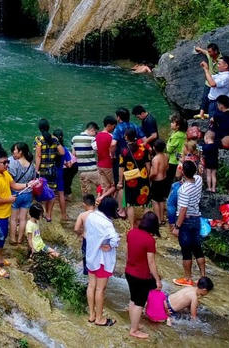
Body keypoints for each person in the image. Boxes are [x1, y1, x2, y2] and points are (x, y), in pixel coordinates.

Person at [125, 211, 163, 340]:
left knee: (133, 299)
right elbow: (151, 262)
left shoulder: (131, 233)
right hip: (141, 276)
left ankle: (134, 324)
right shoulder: (150, 240)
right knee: (139, 303)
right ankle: (134, 330)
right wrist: (157, 279)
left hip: (129, 272)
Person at [84, 196, 121, 327]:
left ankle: (92, 315)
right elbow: (115, 239)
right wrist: (110, 246)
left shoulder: (91, 216)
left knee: (91, 286)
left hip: (91, 256)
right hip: (102, 260)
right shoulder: (107, 224)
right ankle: (100, 318)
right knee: (101, 289)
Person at [0, 149, 24, 278]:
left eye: (7, 162)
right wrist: (9, 199)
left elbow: (13, 185)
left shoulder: (4, 173)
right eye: (4, 162)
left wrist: (27, 184)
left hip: (4, 214)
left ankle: (0, 259)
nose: (7, 164)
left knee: (2, 237)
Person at [173, 161, 207, 287]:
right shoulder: (198, 180)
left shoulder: (183, 190)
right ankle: (203, 277)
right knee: (197, 248)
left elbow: (183, 210)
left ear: (183, 172)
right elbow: (198, 174)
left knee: (186, 251)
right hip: (196, 218)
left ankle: (187, 279)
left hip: (186, 221)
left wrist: (177, 227)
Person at [118, 129, 150, 225]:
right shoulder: (143, 148)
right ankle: (146, 225)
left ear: (127, 137)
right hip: (143, 177)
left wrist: (120, 181)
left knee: (130, 204)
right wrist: (148, 176)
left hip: (130, 179)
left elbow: (121, 168)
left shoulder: (124, 151)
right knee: (146, 202)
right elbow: (148, 164)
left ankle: (132, 226)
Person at [73, 122, 103, 199]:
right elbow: (99, 151)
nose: (95, 134)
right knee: (102, 187)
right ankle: (99, 204)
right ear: (92, 130)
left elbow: (74, 154)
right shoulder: (92, 139)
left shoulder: (74, 138)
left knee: (86, 194)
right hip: (93, 170)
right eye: (95, 132)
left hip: (82, 171)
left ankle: (88, 208)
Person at [95, 116, 117, 199]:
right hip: (108, 165)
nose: (114, 128)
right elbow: (112, 151)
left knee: (105, 186)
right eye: (113, 126)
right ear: (109, 125)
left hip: (100, 164)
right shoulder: (110, 137)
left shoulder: (98, 136)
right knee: (114, 185)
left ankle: (100, 204)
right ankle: (104, 200)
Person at [148, 140, 170, 224]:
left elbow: (154, 172)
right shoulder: (165, 156)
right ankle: (162, 218)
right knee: (161, 200)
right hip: (164, 179)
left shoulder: (155, 159)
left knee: (155, 200)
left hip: (157, 181)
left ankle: (158, 220)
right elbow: (167, 167)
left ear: (154, 148)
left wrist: (149, 178)